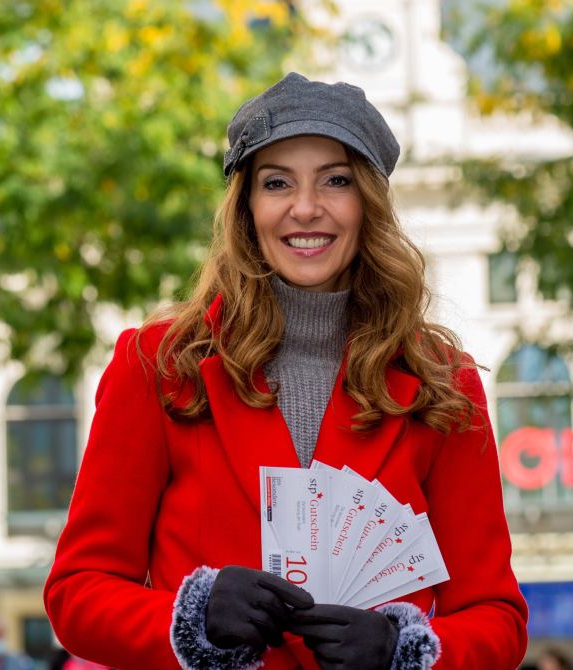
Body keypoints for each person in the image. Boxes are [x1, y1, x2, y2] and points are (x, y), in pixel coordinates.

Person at [44, 72, 528, 669]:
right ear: (247, 208)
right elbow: (76, 593)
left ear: (369, 204)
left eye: (336, 181)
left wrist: (403, 652)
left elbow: (497, 618)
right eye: (277, 183)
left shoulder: (442, 382)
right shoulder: (159, 365)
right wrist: (190, 618)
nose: (305, 208)